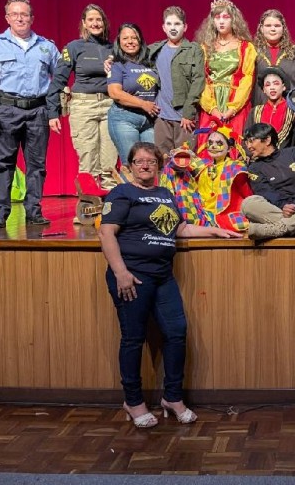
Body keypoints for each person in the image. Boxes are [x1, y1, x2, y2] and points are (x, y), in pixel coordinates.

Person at [99, 142, 240, 429]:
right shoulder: (123, 193)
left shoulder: (165, 195)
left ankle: (172, 398)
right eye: (139, 161)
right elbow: (106, 232)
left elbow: (179, 229)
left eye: (151, 161)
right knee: (133, 339)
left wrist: (212, 230)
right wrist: (121, 272)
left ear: (159, 166)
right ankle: (133, 401)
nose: (145, 165)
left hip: (163, 277)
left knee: (176, 334)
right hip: (133, 276)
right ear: (130, 166)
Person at [0, 0, 60, 229]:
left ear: (32, 18)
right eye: (15, 14)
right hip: (6, 110)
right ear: (7, 18)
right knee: (2, 165)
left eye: (25, 14)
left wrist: (55, 111)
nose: (20, 18)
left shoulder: (47, 46)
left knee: (37, 165)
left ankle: (34, 211)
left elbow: (60, 78)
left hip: (38, 110)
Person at [47, 4, 117, 190]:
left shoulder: (114, 48)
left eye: (98, 19)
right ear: (84, 24)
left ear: (104, 22)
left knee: (109, 162)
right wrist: (52, 113)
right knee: (88, 159)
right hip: (84, 106)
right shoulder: (73, 47)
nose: (95, 23)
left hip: (111, 105)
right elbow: (59, 79)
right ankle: (88, 208)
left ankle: (110, 208)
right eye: (91, 20)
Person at [160, 127, 252, 232]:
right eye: (210, 142)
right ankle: (166, 223)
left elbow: (247, 193)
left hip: (222, 216)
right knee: (172, 170)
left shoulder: (235, 167)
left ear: (229, 148)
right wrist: (181, 154)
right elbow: (177, 165)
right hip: (200, 212)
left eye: (219, 143)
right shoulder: (202, 164)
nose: (213, 146)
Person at [146, 6, 206, 158]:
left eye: (177, 24)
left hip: (184, 118)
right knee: (162, 163)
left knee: (185, 161)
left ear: (185, 27)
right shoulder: (154, 50)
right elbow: (128, 52)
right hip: (162, 117)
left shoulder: (194, 49)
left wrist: (188, 113)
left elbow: (198, 81)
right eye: (169, 24)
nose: (173, 28)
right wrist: (112, 58)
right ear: (164, 27)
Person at [196, 0, 256, 142]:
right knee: (210, 146)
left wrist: (232, 108)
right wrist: (212, 109)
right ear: (212, 21)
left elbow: (247, 79)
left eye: (226, 17)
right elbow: (200, 79)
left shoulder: (246, 47)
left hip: (236, 104)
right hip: (212, 102)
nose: (221, 21)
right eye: (217, 17)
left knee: (235, 145)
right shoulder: (204, 48)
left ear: (233, 20)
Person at [107, 23, 159, 166]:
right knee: (131, 165)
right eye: (125, 38)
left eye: (134, 38)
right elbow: (115, 93)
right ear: (119, 41)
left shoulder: (150, 61)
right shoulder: (116, 65)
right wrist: (143, 104)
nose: (130, 42)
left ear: (140, 40)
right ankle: (128, 189)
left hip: (150, 121)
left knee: (150, 164)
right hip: (124, 119)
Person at [253, 9, 295, 106]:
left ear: (283, 28)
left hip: (291, 112)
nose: (272, 29)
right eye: (268, 26)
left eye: (277, 26)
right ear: (261, 28)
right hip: (261, 111)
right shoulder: (252, 52)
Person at [245, 67, 295, 148]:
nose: (272, 87)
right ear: (264, 89)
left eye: (276, 83)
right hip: (258, 158)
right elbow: (246, 137)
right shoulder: (255, 111)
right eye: (268, 84)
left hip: (284, 157)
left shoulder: (293, 111)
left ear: (283, 87)